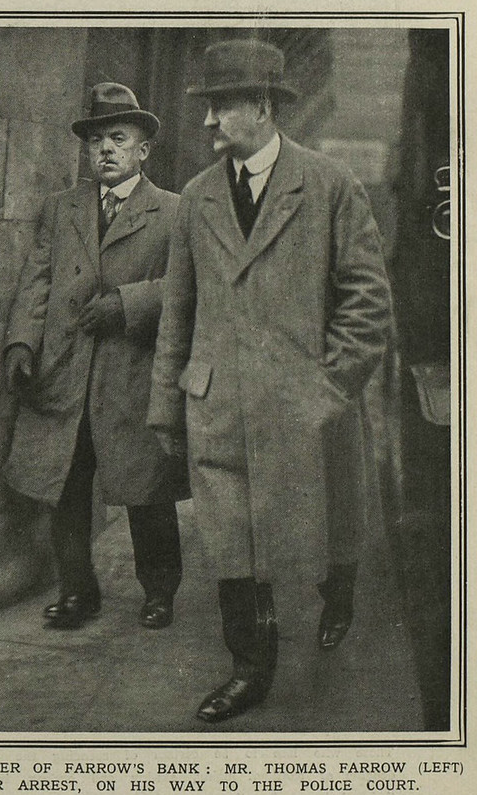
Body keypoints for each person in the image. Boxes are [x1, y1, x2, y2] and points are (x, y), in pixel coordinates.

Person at [147, 40, 393, 722]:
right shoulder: (196, 199)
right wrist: (167, 407)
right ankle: (251, 666)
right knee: (233, 544)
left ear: (261, 107)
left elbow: (368, 303)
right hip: (219, 404)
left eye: (220, 107)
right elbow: (178, 309)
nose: (207, 124)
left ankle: (337, 592)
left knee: (327, 534)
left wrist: (327, 390)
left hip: (308, 407)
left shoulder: (330, 185)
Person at [3, 82, 189, 631]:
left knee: (146, 491)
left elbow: (186, 286)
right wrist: (21, 343)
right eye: (96, 141)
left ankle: (159, 590)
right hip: (67, 373)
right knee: (67, 486)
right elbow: (37, 280)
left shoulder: (174, 212)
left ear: (142, 150)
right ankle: (78, 591)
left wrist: (127, 305)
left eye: (118, 138)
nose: (105, 150)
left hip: (130, 376)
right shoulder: (61, 210)